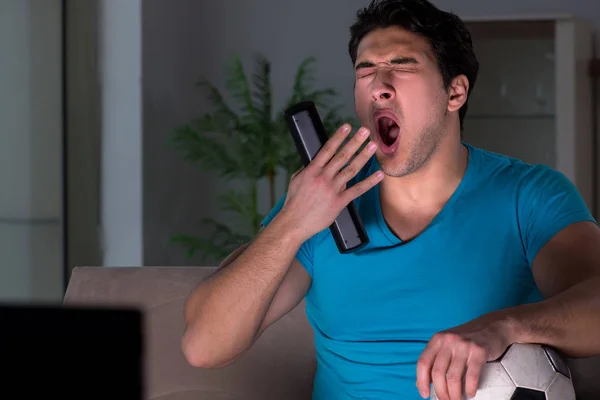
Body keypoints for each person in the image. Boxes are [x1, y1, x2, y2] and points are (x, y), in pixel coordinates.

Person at [181, 0, 600, 399]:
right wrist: (292, 223)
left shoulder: (529, 195)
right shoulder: (318, 203)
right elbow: (203, 345)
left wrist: (504, 327)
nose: (379, 85)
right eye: (365, 71)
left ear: (454, 93)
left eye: (402, 66)